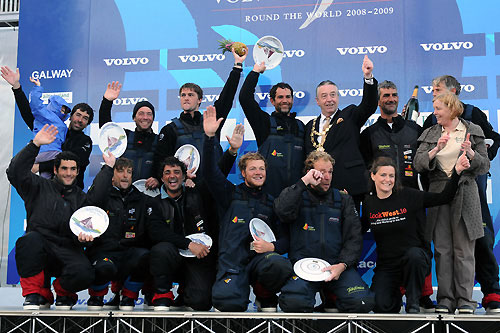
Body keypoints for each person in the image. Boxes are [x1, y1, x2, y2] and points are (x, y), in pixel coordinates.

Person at [7, 125, 113, 310]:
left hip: (67, 249)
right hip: (40, 246)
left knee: (86, 273)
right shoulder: (37, 186)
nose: (68, 173)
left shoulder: (82, 198)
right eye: (64, 168)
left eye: (73, 169)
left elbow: (98, 197)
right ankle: (35, 294)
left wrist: (82, 238)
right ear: (55, 169)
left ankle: (63, 292)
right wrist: (35, 144)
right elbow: (15, 172)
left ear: (78, 172)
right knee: (28, 241)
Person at [202, 106, 292, 312]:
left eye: (262, 169)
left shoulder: (273, 202)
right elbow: (209, 173)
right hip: (233, 264)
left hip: (260, 262)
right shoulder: (229, 194)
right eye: (253, 168)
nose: (258, 172)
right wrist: (209, 138)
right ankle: (235, 292)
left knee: (280, 265)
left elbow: (286, 238)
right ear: (243, 172)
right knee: (227, 303)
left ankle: (264, 292)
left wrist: (273, 248)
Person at [423, 75, 500, 313]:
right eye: (433, 90)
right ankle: (445, 298)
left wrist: (476, 158)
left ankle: (491, 293)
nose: (433, 93)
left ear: (453, 92)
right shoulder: (431, 120)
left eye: (438, 90)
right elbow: (422, 155)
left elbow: (494, 139)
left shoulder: (473, 115)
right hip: (440, 192)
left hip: (471, 190)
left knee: (481, 240)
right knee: (443, 247)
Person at [146, 121, 243, 311]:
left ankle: (186, 291)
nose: (172, 176)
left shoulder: (198, 193)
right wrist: (187, 244)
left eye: (176, 172)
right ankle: (163, 293)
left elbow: (215, 173)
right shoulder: (154, 202)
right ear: (162, 177)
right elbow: (157, 232)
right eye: (167, 173)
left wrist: (231, 151)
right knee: (161, 250)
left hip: (198, 256)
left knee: (201, 302)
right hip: (173, 254)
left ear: (185, 176)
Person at [359, 80, 436, 312]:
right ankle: (391, 292)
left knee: (420, 247)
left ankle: (422, 295)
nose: (390, 99)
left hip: (412, 200)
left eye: (393, 95)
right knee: (390, 250)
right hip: (383, 202)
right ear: (378, 101)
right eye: (385, 96)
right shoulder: (369, 133)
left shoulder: (414, 130)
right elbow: (364, 168)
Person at [362, 155, 469, 313]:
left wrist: (457, 171)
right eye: (383, 175)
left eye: (391, 176)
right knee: (381, 306)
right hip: (388, 266)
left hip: (415, 260)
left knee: (414, 256)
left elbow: (444, 197)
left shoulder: (409, 195)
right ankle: (395, 294)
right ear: (373, 175)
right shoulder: (369, 203)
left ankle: (413, 302)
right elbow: (359, 229)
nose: (387, 180)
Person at [274, 151, 374, 313]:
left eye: (330, 172)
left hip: (336, 267)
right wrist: (304, 182)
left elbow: (353, 238)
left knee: (362, 301)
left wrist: (342, 265)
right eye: (321, 172)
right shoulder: (297, 194)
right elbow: (282, 211)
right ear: (309, 172)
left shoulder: (343, 199)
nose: (327, 177)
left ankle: (331, 298)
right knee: (293, 303)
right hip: (303, 267)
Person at [152, 48, 247, 183]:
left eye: (191, 95)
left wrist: (237, 66)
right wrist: (182, 180)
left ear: (200, 99)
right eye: (183, 95)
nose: (186, 98)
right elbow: (161, 164)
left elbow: (226, 98)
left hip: (213, 188)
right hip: (185, 189)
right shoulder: (169, 130)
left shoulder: (211, 121)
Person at [1, 66, 94, 189]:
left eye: (85, 118)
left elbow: (75, 161)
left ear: (87, 124)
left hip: (72, 195)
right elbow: (28, 113)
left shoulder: (85, 141)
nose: (80, 120)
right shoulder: (52, 129)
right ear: (70, 117)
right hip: (47, 193)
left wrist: (39, 167)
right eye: (78, 115)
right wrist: (17, 87)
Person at [304, 56, 378, 208]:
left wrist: (368, 77)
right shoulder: (310, 126)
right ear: (317, 101)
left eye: (333, 95)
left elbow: (369, 105)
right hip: (317, 189)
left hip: (348, 186)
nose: (329, 99)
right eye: (324, 96)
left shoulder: (350, 115)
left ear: (338, 97)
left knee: (351, 230)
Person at [84, 157, 151, 311]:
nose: (125, 175)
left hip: (128, 251)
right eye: (120, 171)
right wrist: (107, 168)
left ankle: (128, 295)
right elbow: (92, 201)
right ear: (112, 174)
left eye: (128, 171)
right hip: (104, 251)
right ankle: (97, 295)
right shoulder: (101, 196)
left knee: (146, 257)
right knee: (105, 267)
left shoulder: (141, 199)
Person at [239, 62, 305, 198]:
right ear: (272, 101)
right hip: (268, 197)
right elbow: (245, 98)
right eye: (280, 97)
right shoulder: (264, 123)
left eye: (288, 97)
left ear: (293, 99)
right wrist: (256, 71)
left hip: (296, 197)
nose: (285, 100)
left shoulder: (301, 127)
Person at [98, 81, 159, 186]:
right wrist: (107, 101)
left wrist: (158, 179)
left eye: (149, 114)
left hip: (150, 195)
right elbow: (106, 128)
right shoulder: (124, 137)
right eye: (141, 113)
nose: (145, 117)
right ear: (134, 118)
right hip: (124, 194)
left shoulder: (160, 141)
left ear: (153, 119)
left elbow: (167, 167)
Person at [27, 77, 71, 178]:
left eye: (65, 111)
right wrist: (38, 87)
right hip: (48, 152)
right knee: (64, 162)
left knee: (46, 182)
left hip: (50, 154)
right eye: (62, 109)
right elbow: (35, 104)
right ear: (55, 106)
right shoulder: (45, 113)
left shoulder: (63, 124)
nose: (63, 112)